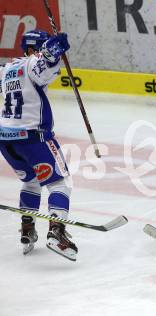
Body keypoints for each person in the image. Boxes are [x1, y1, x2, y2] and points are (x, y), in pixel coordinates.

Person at [0, 30, 77, 261]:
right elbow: (47, 59)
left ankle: (27, 229)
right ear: (34, 49)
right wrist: (57, 45)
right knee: (60, 183)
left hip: (6, 139)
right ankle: (57, 231)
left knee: (31, 181)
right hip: (34, 137)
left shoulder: (7, 69)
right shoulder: (33, 64)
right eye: (40, 47)